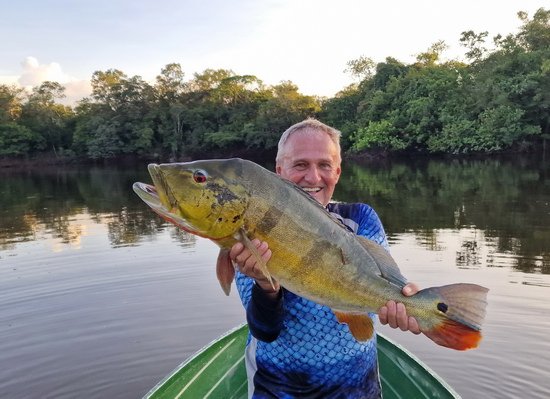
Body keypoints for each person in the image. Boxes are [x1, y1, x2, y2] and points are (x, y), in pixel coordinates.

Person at [228, 118, 421, 398]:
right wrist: (266, 287)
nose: (314, 177)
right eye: (300, 165)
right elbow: (265, 330)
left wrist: (408, 299)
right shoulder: (254, 226)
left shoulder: (360, 219)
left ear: (337, 172)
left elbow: (386, 285)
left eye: (324, 165)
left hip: (357, 386)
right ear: (279, 171)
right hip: (277, 387)